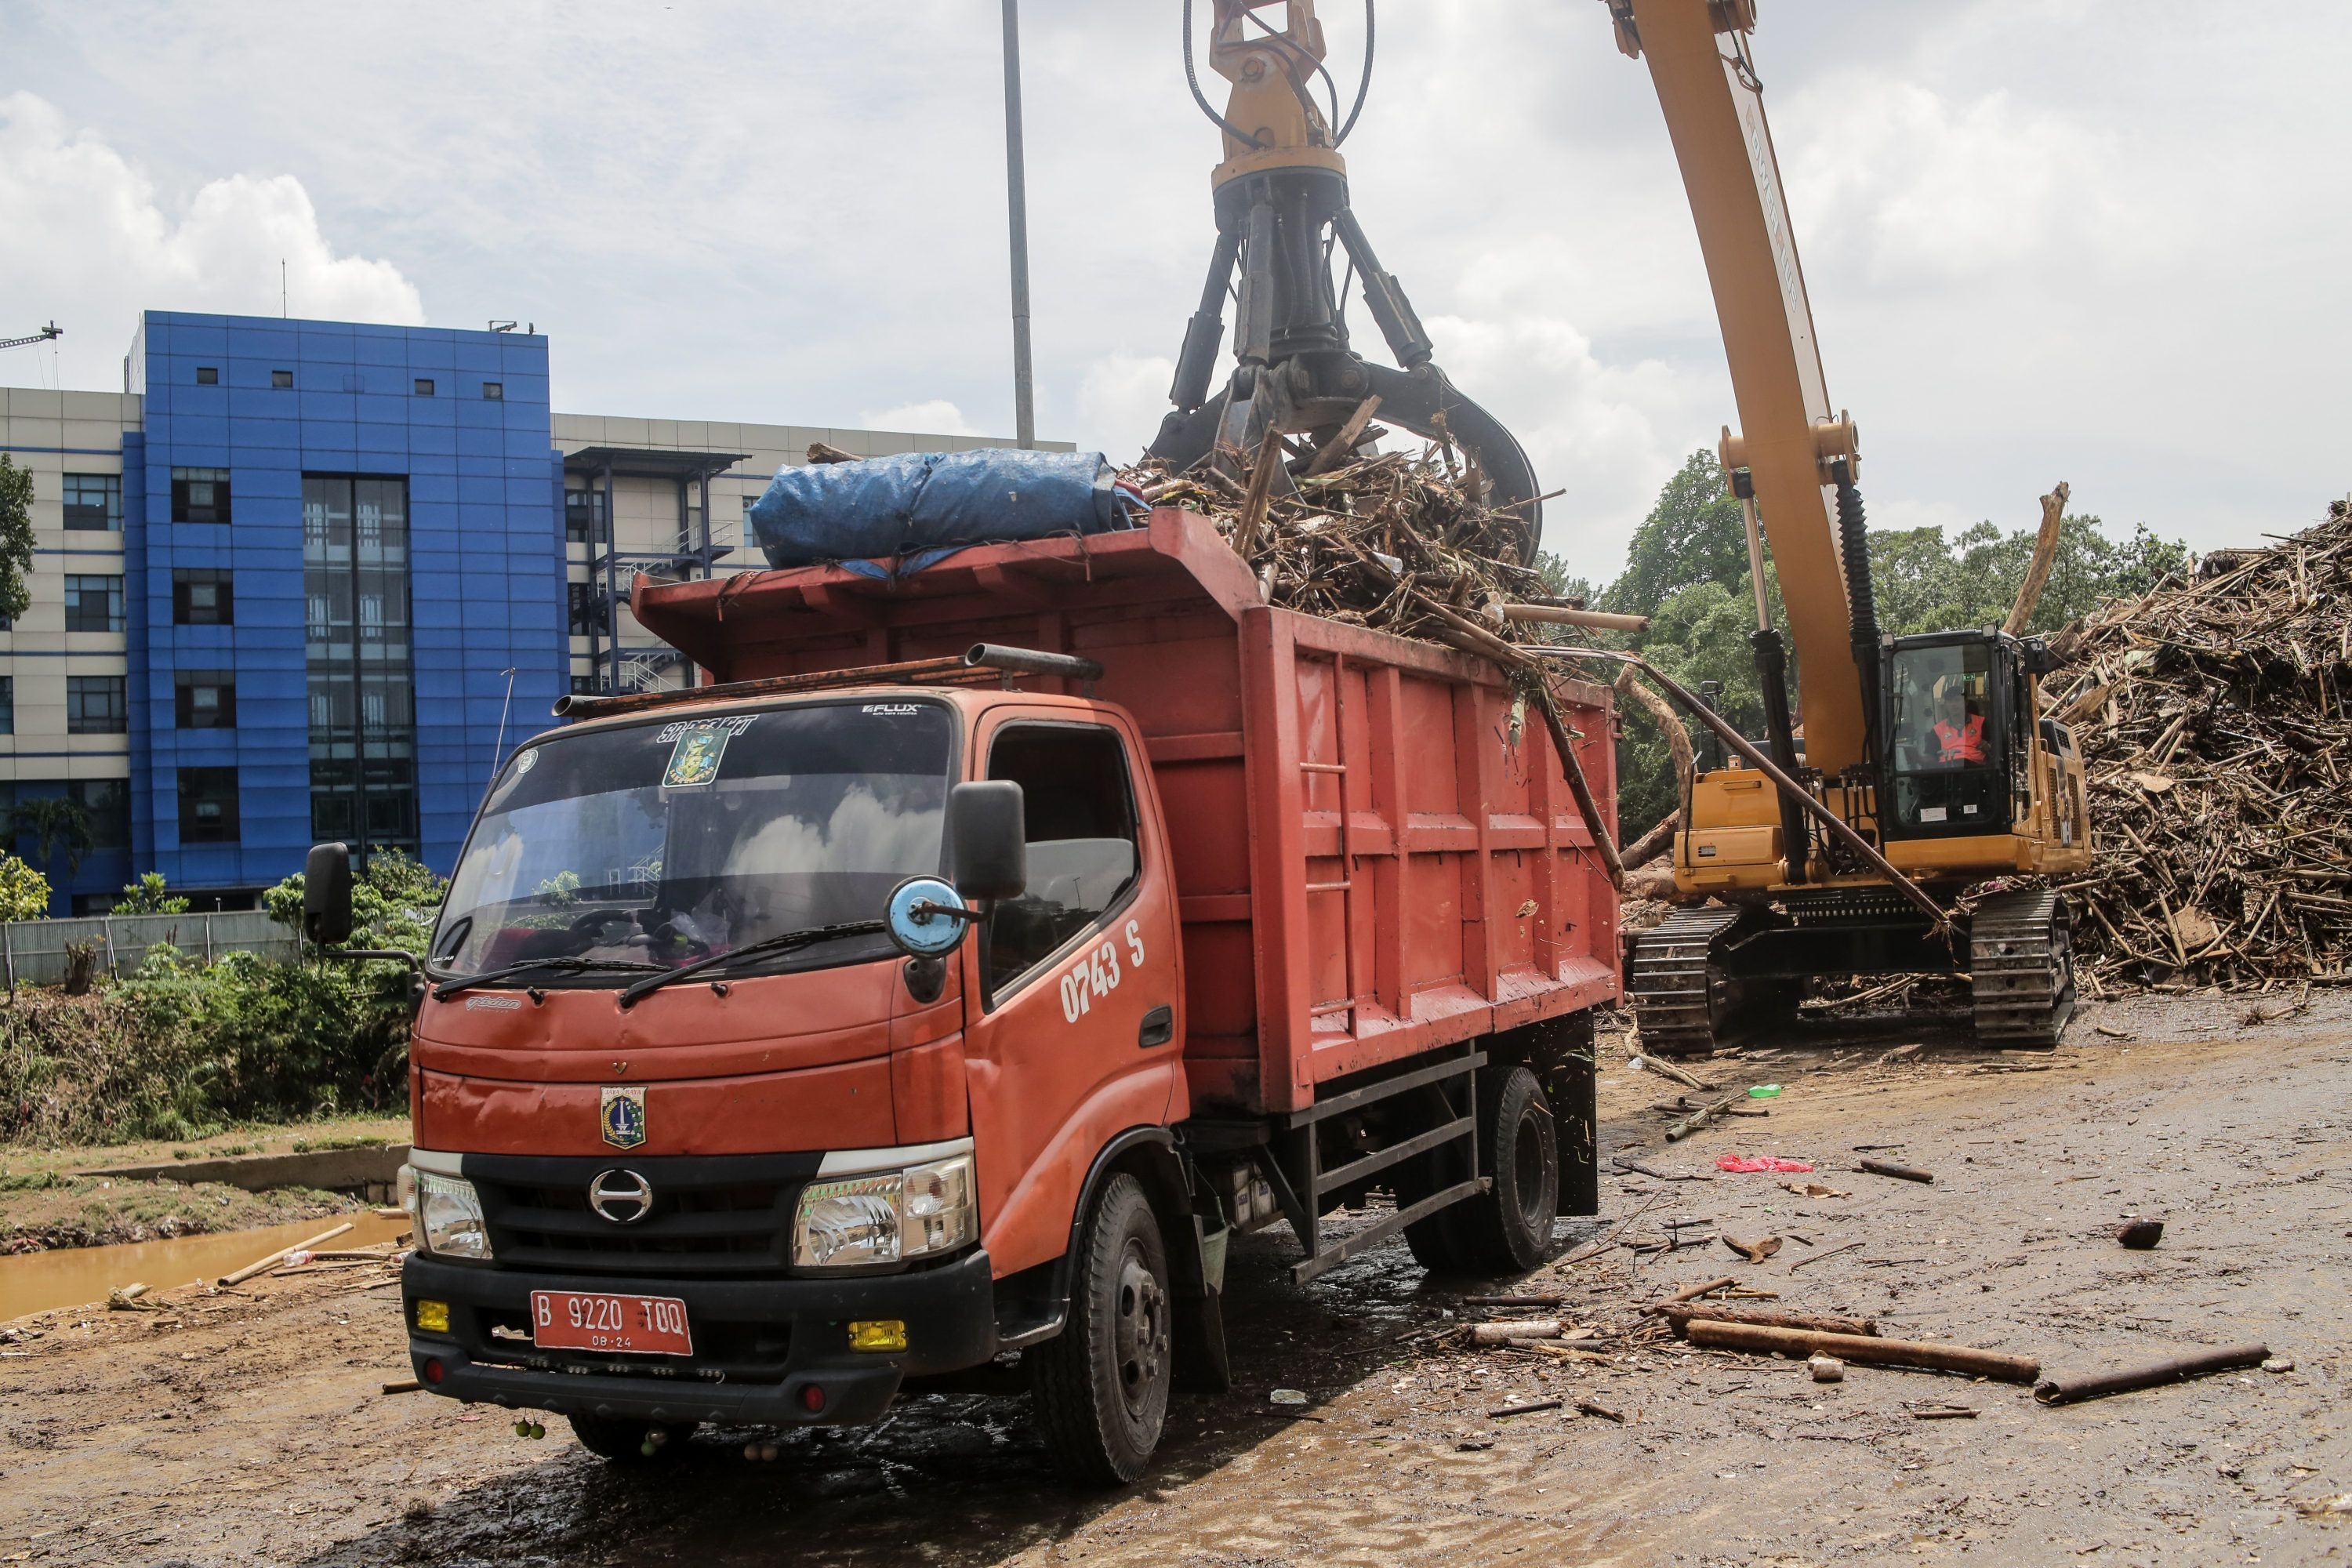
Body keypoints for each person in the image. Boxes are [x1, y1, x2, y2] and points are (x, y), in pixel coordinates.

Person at [1932, 682, 1986, 765]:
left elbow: (1993, 748)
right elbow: (1931, 756)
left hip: (1975, 767)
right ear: (1945, 705)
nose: (1953, 705)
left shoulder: (1982, 723)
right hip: (1946, 770)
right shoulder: (1937, 729)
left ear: (1966, 702)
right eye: (1949, 701)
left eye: (1957, 700)